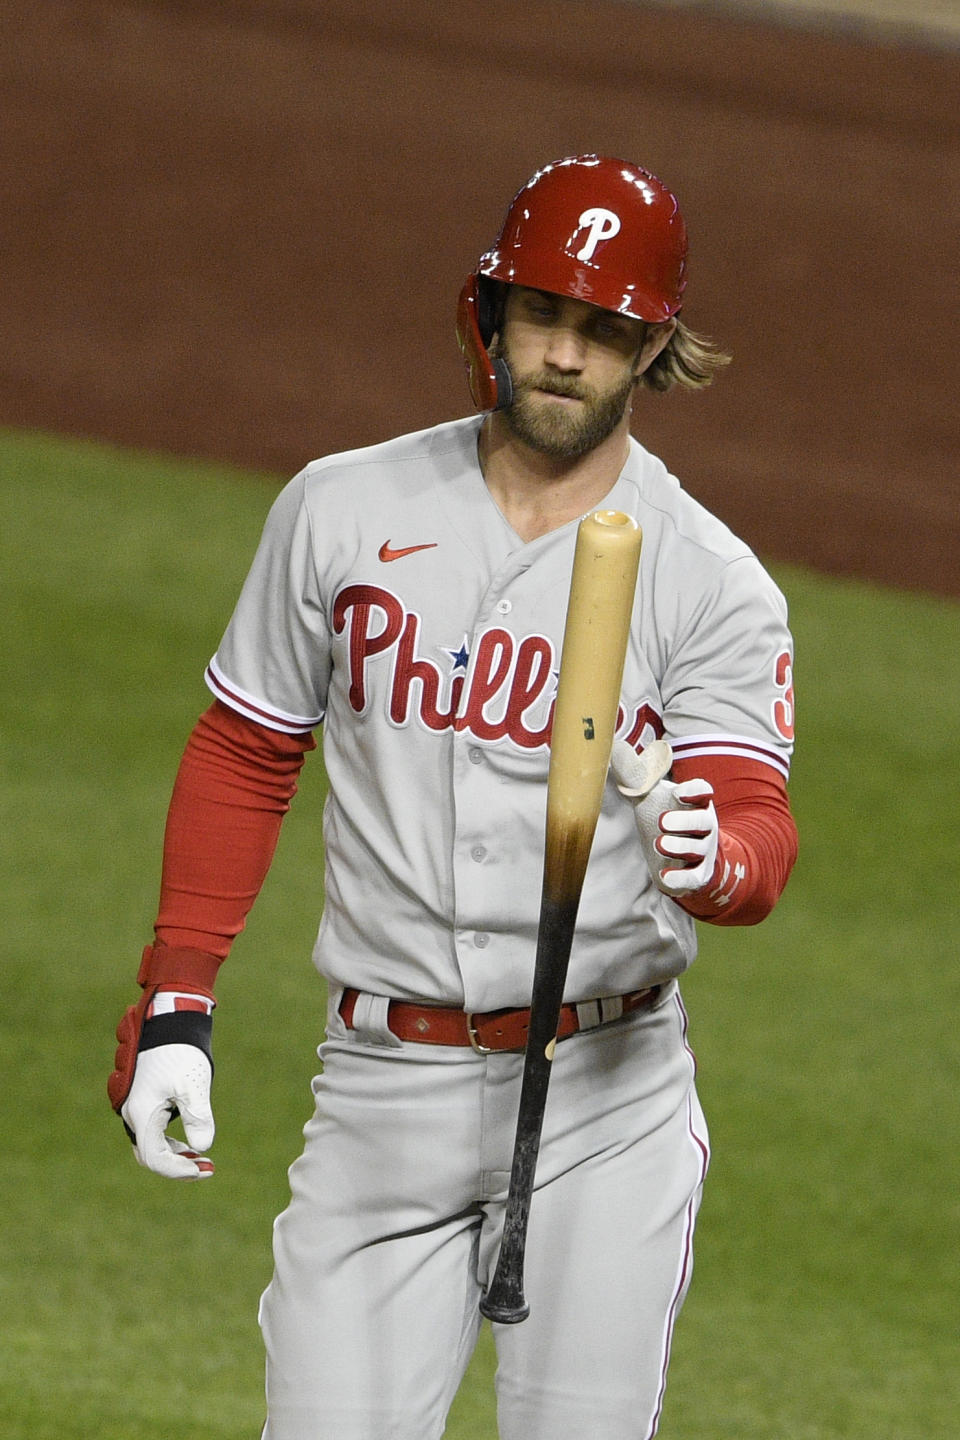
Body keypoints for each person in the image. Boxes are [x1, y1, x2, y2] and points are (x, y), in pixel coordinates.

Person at [109, 154, 798, 1440]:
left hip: (608, 1099)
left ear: (653, 352)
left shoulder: (711, 580)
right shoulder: (343, 509)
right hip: (380, 1086)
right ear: (490, 315)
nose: (566, 354)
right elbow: (248, 750)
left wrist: (718, 859)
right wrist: (176, 999)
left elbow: (755, 820)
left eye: (606, 330)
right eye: (545, 312)